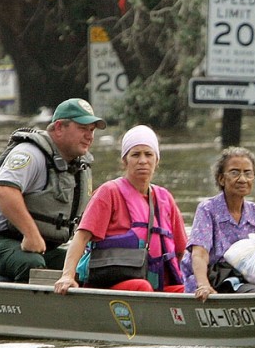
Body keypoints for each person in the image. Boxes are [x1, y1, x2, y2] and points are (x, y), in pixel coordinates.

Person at [0, 98, 106, 282]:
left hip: (44, 248)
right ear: (59, 128)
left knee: (89, 266)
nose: (89, 136)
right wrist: (31, 234)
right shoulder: (30, 153)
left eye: (92, 130)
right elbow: (4, 190)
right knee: (31, 263)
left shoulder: (78, 167)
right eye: (83, 128)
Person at [54, 125, 187, 294]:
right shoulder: (109, 192)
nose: (143, 161)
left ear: (157, 160)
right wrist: (67, 275)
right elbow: (81, 237)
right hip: (113, 282)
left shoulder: (165, 198)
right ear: (124, 161)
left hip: (157, 285)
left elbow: (182, 250)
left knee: (189, 290)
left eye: (148, 154)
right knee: (142, 287)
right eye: (135, 155)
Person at [181, 147, 255, 301]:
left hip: (244, 276)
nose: (242, 179)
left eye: (248, 173)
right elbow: (199, 253)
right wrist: (203, 285)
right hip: (216, 278)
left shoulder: (254, 211)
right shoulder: (208, 209)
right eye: (234, 173)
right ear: (221, 179)